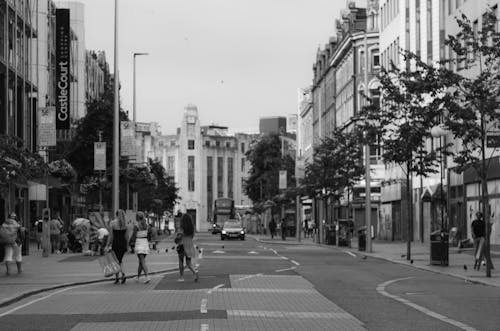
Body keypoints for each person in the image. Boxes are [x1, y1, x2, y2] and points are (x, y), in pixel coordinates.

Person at [107, 209, 128, 284]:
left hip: (116, 243)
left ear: (116, 215)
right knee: (119, 260)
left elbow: (111, 235)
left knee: (116, 261)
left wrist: (107, 244)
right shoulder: (125, 223)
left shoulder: (112, 223)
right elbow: (126, 236)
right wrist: (127, 246)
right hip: (123, 243)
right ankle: (118, 277)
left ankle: (121, 275)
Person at [176, 213, 199, 282]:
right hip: (189, 245)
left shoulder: (181, 227)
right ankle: (194, 273)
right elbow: (192, 237)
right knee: (188, 263)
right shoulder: (192, 228)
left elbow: (179, 236)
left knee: (181, 261)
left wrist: (178, 238)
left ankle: (181, 277)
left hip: (182, 245)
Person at [132, 211, 151, 283]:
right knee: (141, 262)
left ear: (137, 217)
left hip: (139, 242)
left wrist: (131, 242)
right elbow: (149, 235)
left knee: (142, 261)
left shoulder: (136, 225)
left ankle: (147, 276)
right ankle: (138, 277)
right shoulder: (146, 225)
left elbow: (134, 235)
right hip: (145, 243)